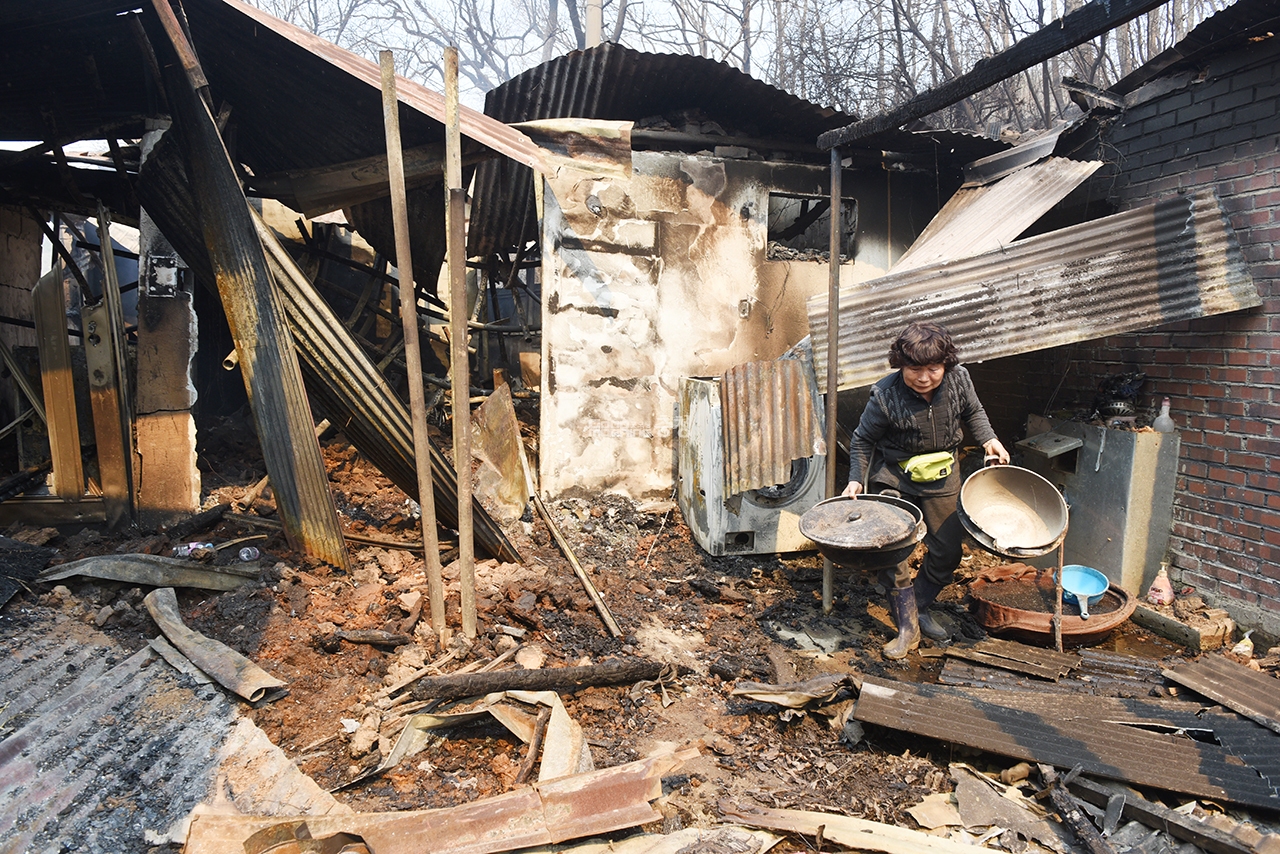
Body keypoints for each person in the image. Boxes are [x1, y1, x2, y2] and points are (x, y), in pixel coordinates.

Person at [841, 321, 1009, 659]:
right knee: (895, 545)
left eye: (933, 369)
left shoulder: (959, 379)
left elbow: (974, 411)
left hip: (943, 472)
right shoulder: (885, 395)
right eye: (914, 369)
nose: (924, 377)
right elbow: (862, 439)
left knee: (949, 551)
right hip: (895, 474)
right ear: (900, 365)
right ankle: (907, 627)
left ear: (945, 364)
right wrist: (856, 477)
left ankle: (916, 604)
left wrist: (989, 438)